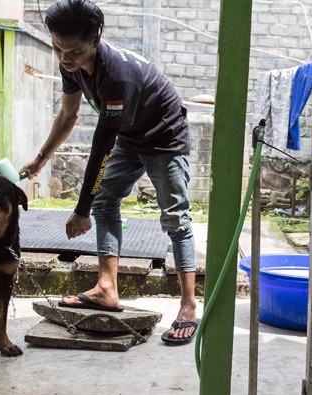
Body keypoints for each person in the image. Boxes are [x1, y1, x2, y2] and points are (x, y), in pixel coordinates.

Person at [21, 0, 197, 345]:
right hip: (131, 135)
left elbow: (101, 146)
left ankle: (189, 305)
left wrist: (80, 209)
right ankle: (106, 288)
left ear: (96, 39)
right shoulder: (69, 65)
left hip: (164, 137)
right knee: (106, 203)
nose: (64, 57)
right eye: (57, 47)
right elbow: (68, 115)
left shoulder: (115, 74)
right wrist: (41, 159)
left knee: (176, 219)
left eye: (73, 50)